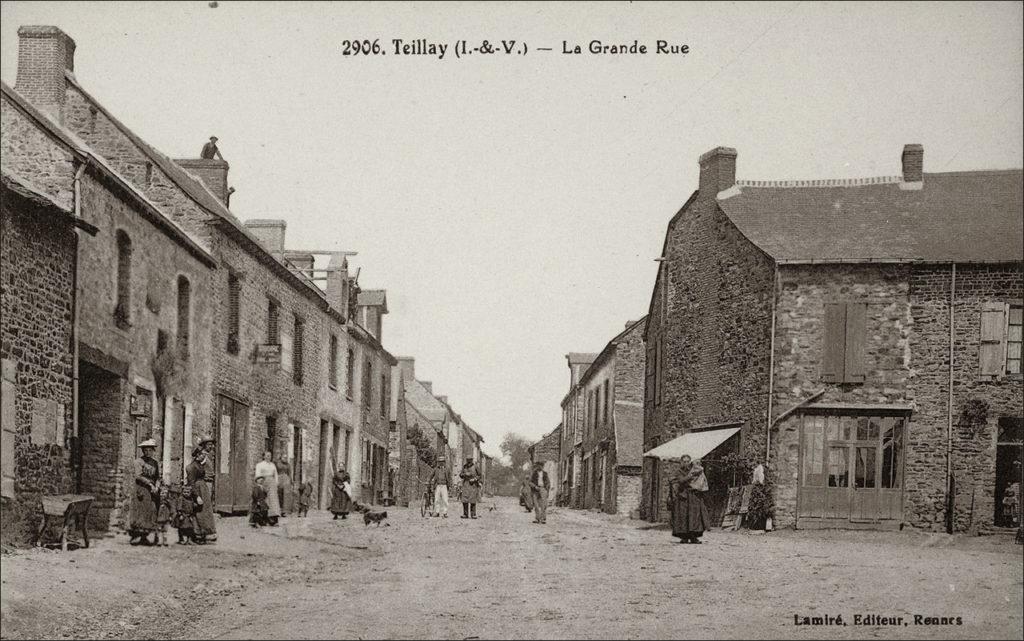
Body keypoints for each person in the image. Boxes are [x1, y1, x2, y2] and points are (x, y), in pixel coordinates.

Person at [668, 454, 710, 544]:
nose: (686, 463)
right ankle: (684, 537)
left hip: (693, 496)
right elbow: (681, 481)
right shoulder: (678, 471)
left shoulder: (694, 469)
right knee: (683, 517)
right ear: (681, 462)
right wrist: (691, 476)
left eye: (688, 461)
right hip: (682, 496)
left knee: (694, 517)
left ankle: (694, 537)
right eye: (684, 461)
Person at [129, 439, 161, 545]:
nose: (148, 452)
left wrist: (156, 485)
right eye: (145, 450)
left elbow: (157, 477)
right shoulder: (138, 462)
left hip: (151, 491)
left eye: (150, 450)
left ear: (153, 451)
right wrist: (150, 484)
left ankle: (145, 536)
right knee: (140, 512)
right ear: (143, 451)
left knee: (150, 511)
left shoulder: (155, 463)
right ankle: (135, 536)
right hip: (141, 489)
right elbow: (138, 476)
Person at [186, 446, 215, 543]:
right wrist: (197, 496)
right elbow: (191, 483)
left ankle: (205, 534)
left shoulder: (200, 465)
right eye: (203, 454)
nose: (204, 456)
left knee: (205, 512)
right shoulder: (191, 467)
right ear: (198, 455)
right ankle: (197, 535)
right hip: (198, 490)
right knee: (198, 513)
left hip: (203, 489)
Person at [197, 437, 218, 541]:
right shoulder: (202, 456)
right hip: (205, 483)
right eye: (209, 444)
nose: (211, 446)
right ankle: (204, 531)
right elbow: (196, 468)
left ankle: (207, 531)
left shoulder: (209, 455)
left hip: (209, 482)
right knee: (205, 507)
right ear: (204, 445)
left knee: (208, 506)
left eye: (212, 444)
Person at [254, 451, 281, 526]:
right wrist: (260, 484)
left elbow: (275, 474)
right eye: (267, 456)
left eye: (270, 456)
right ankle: (263, 519)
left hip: (272, 483)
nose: (269, 457)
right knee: (264, 500)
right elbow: (258, 474)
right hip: (264, 482)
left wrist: (276, 483)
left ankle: (273, 519)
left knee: (273, 500)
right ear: (264, 457)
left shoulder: (272, 465)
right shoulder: (260, 465)